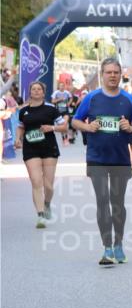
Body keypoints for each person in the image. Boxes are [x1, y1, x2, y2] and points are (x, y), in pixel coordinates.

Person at [71, 58, 132, 266]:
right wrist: (87, 127)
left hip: (120, 160)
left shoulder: (130, 100)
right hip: (96, 158)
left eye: (115, 72)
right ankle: (107, 248)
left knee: (117, 203)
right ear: (102, 75)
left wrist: (130, 128)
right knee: (102, 202)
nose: (112, 75)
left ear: (120, 74)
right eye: (108, 72)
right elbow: (75, 119)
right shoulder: (92, 98)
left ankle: (119, 243)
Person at [16, 81, 67, 227]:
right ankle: (40, 215)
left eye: (39, 89)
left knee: (48, 186)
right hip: (30, 148)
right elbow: (21, 126)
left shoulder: (51, 109)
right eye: (34, 89)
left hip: (49, 148)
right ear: (30, 92)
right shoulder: (23, 111)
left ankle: (47, 203)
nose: (36, 91)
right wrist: (17, 138)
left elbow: (63, 127)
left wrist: (51, 127)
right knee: (36, 181)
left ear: (43, 93)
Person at [51, 82, 73, 146]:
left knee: (65, 123)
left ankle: (66, 138)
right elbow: (52, 101)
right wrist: (59, 99)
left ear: (64, 86)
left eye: (63, 86)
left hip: (65, 111)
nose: (62, 87)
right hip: (58, 111)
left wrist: (69, 103)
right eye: (60, 86)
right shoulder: (56, 93)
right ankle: (64, 138)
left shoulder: (67, 92)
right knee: (61, 126)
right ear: (59, 87)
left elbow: (71, 98)